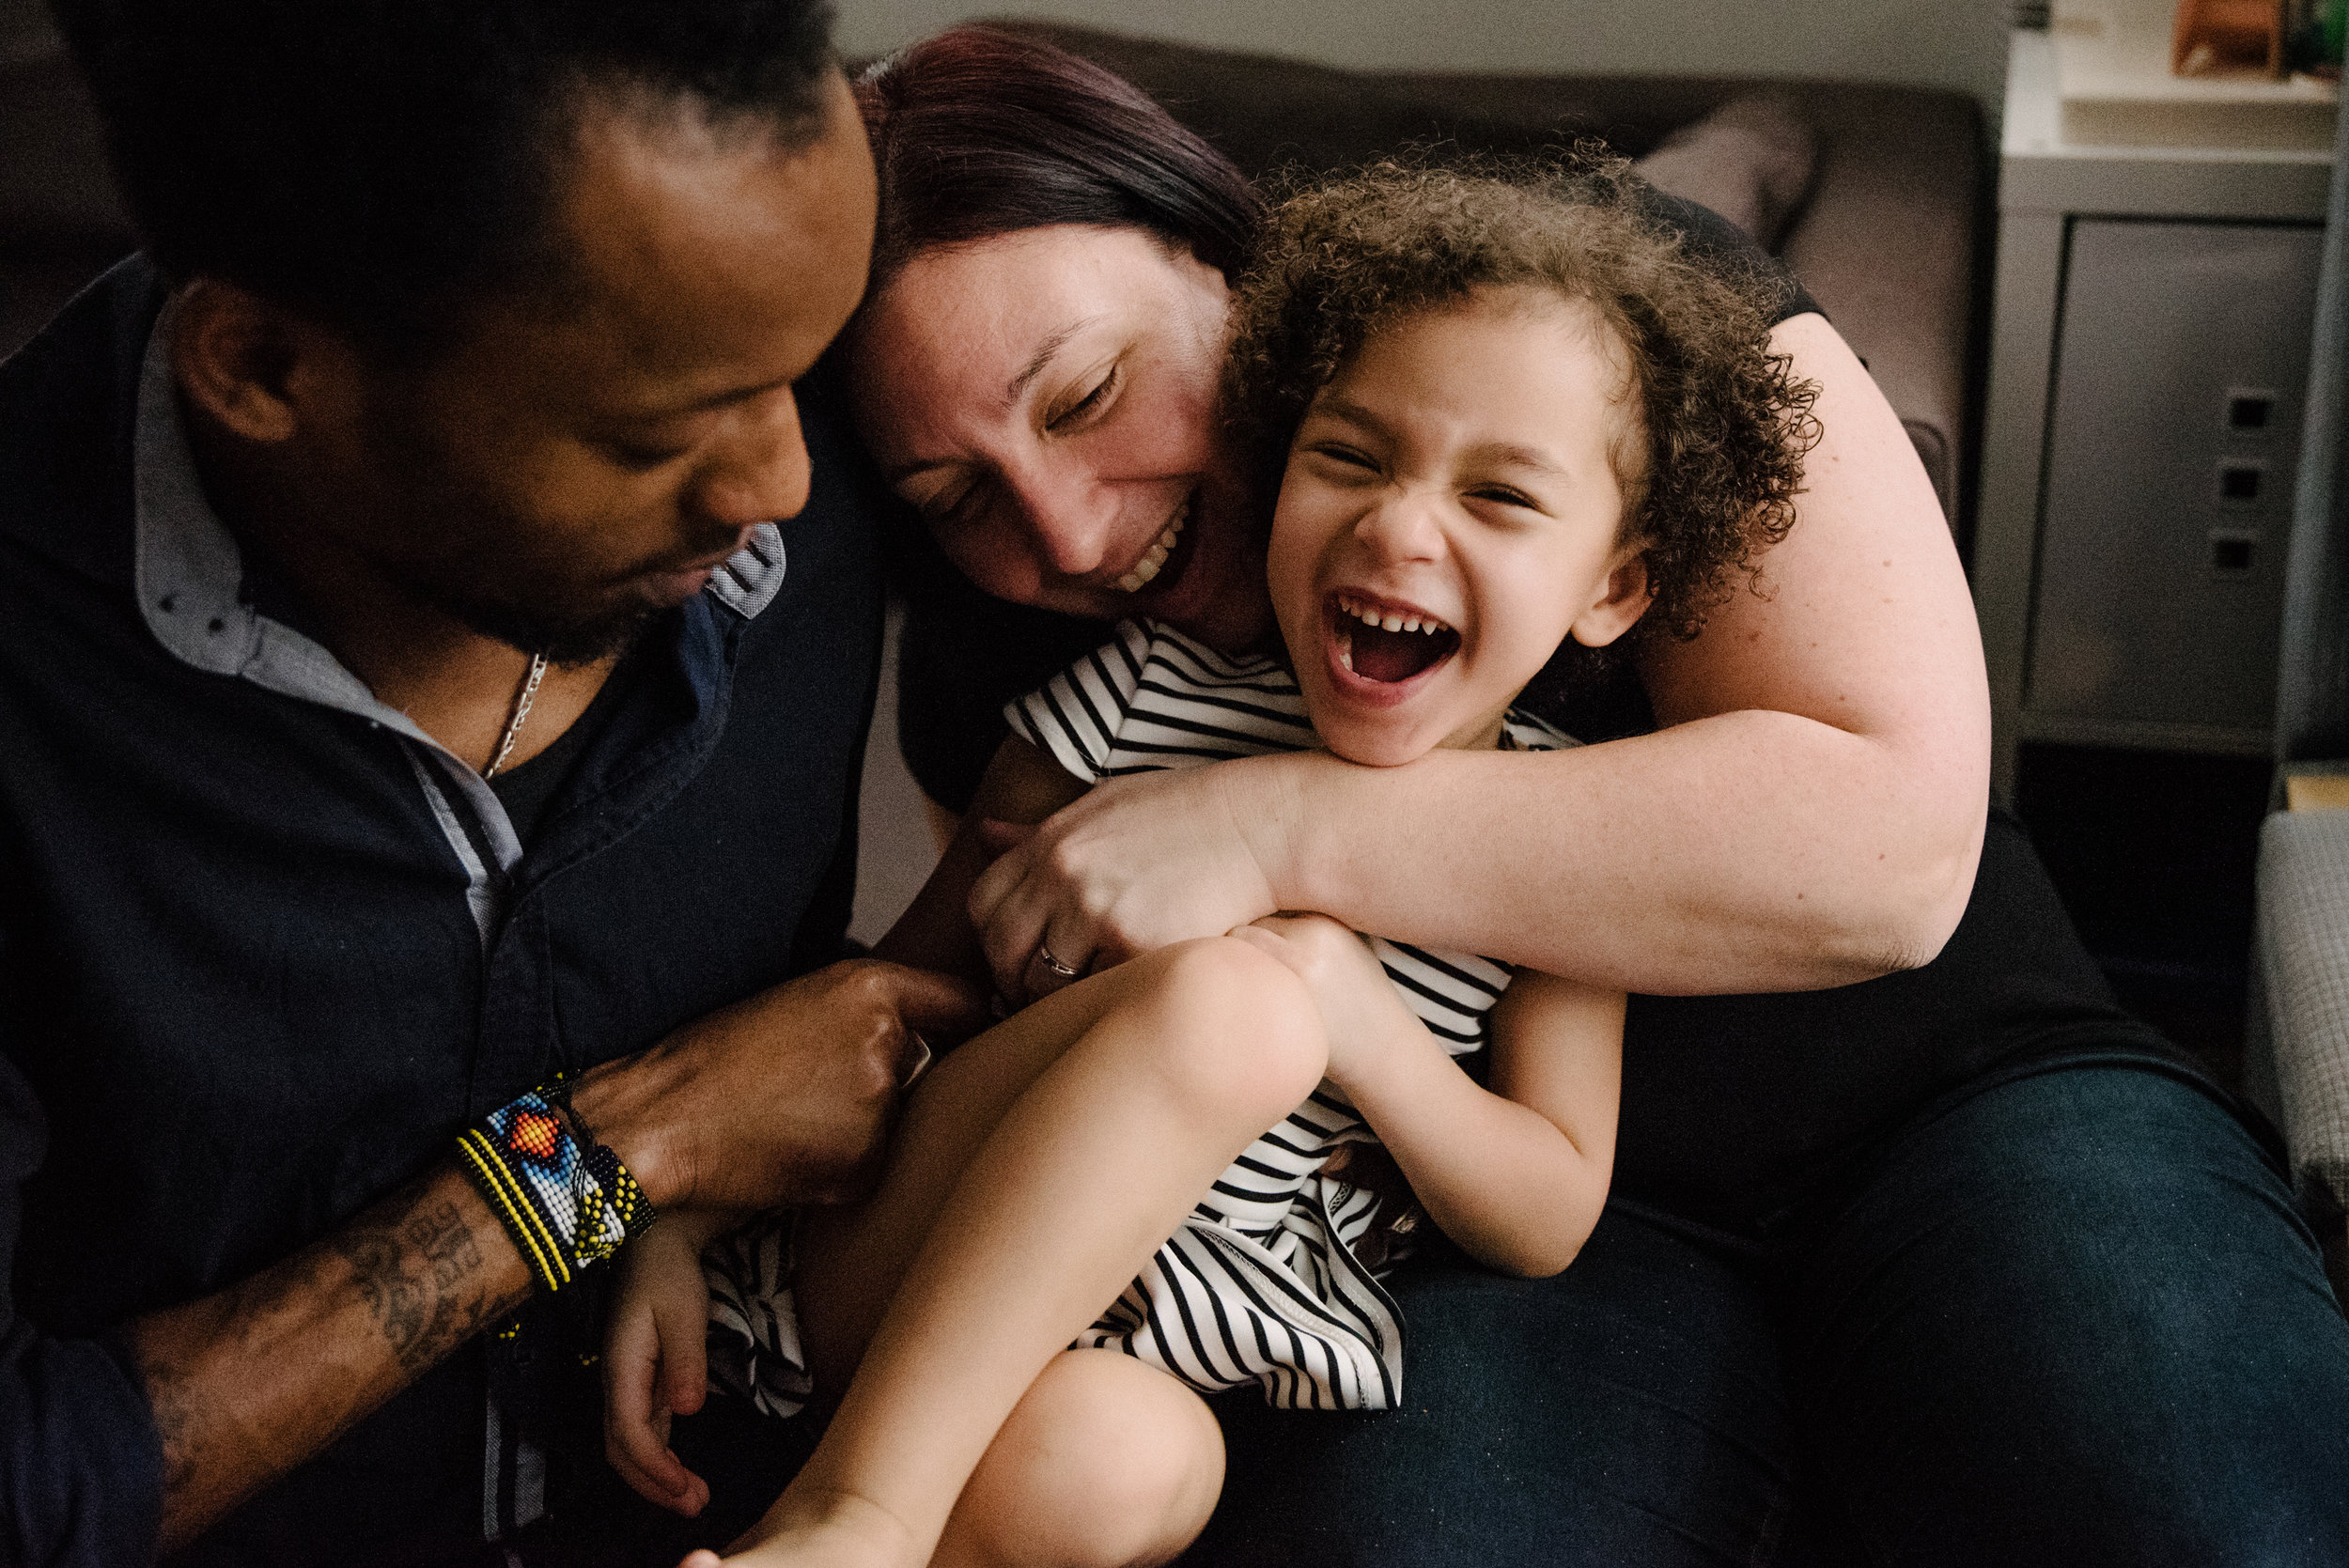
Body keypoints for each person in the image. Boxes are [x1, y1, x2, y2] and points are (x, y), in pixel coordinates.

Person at [840, 25, 2349, 1564]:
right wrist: (609, 1181)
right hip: (1494, 1246)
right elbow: (935, 1028)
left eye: (1090, 392)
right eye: (955, 497)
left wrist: (1264, 825)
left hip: (1962, 1094)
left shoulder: (1604, 324)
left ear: (1228, 257)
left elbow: (1892, 856)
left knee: (2212, 1519)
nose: (1072, 534)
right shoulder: (1034, 657)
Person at [602, 157, 1818, 1567]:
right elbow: (888, 1005)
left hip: (1129, 1368)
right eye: (1349, 458)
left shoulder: (1565, 833)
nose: (1399, 525)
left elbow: (1546, 1206)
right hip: (900, 1262)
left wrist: (1354, 1012)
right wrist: (676, 1213)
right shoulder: (1133, 702)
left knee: (1130, 1467)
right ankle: (849, 1517)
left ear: (1614, 584)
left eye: (1500, 498)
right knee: (1237, 1009)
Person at [0, 3, 986, 1563]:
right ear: (262, 364)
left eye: (802, 367)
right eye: (658, 432)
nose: (784, 485)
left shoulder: (857, 413)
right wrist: (608, 1155)